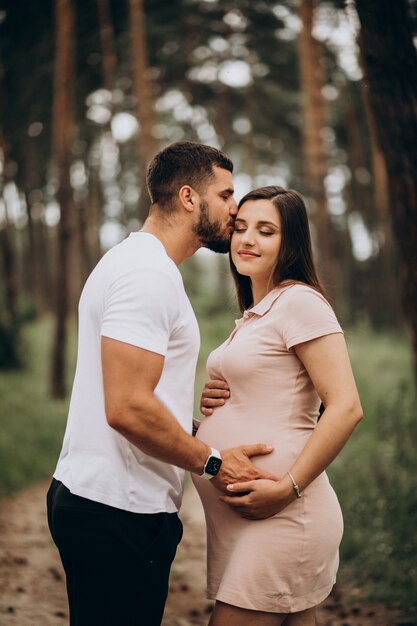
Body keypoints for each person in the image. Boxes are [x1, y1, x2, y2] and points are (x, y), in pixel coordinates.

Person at [46, 142, 277, 626]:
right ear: (190, 197)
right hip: (118, 510)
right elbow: (127, 407)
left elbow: (138, 395)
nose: (235, 209)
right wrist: (214, 462)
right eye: (227, 194)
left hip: (106, 503)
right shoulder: (145, 275)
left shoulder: (136, 263)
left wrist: (199, 424)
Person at [192, 186, 363, 626]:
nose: (247, 239)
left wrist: (287, 488)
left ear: (291, 243)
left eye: (266, 231)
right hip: (252, 522)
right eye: (240, 228)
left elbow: (345, 407)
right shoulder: (258, 312)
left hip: (286, 514)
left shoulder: (300, 302)